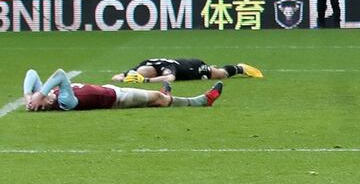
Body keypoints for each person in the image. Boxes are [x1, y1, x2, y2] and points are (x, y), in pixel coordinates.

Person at [24, 69, 222, 112]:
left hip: (111, 90)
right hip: (116, 99)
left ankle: (166, 95)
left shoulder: (50, 96)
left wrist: (28, 96)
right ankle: (202, 101)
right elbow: (59, 74)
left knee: (158, 97)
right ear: (46, 101)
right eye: (36, 99)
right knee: (158, 98)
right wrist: (39, 94)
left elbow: (32, 73)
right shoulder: (65, 102)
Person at [112, 59, 263, 83]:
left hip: (193, 67)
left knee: (220, 75)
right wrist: (123, 78)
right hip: (183, 64)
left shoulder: (165, 67)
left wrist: (146, 81)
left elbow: (169, 78)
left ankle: (240, 68)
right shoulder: (144, 64)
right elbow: (116, 76)